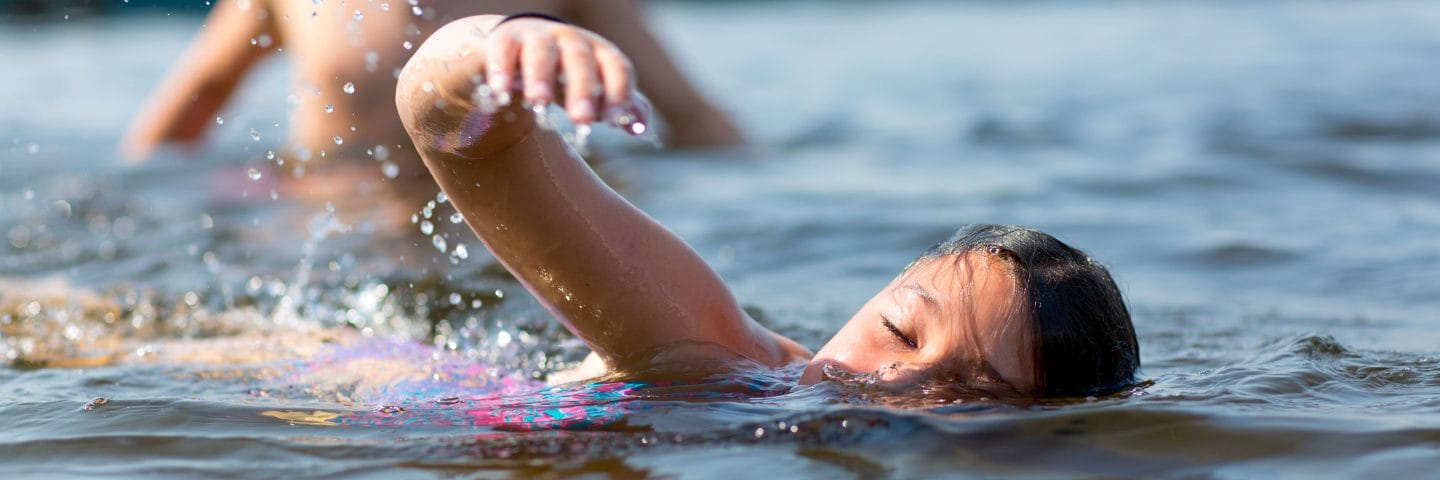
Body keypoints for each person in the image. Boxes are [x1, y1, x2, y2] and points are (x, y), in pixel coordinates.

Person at [396, 15, 1140, 397]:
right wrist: (497, 49)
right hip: (354, 384)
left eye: (970, 391)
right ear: (867, 303)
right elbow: (456, 138)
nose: (895, 380)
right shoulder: (709, 354)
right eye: (899, 333)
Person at [120, 0, 742, 214]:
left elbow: (693, 118)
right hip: (337, 224)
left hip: (521, 224)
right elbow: (190, 104)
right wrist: (146, 197)